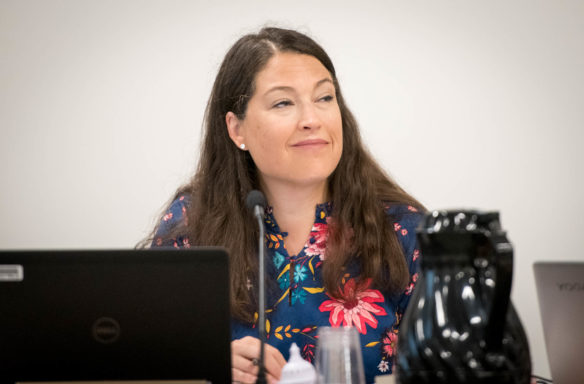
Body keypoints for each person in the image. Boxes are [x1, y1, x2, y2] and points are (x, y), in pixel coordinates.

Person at [146, 27, 424, 384]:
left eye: (325, 98)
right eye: (283, 103)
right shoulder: (191, 224)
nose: (312, 119)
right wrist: (200, 363)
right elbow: (144, 358)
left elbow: (453, 367)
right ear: (237, 129)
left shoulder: (403, 230)